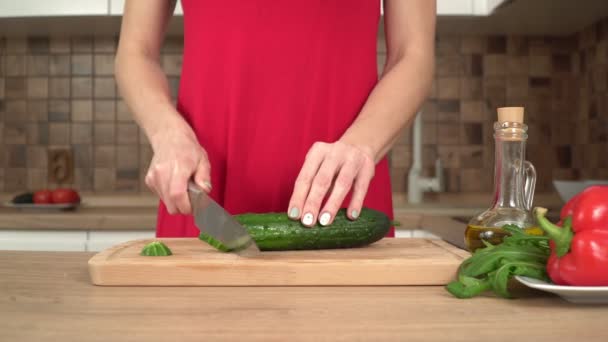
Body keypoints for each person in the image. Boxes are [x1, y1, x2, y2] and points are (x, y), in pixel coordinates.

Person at [115, 0, 436, 238]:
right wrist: (167, 133)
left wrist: (362, 145)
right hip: (204, 202)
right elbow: (135, 51)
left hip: (342, 204)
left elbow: (413, 54)